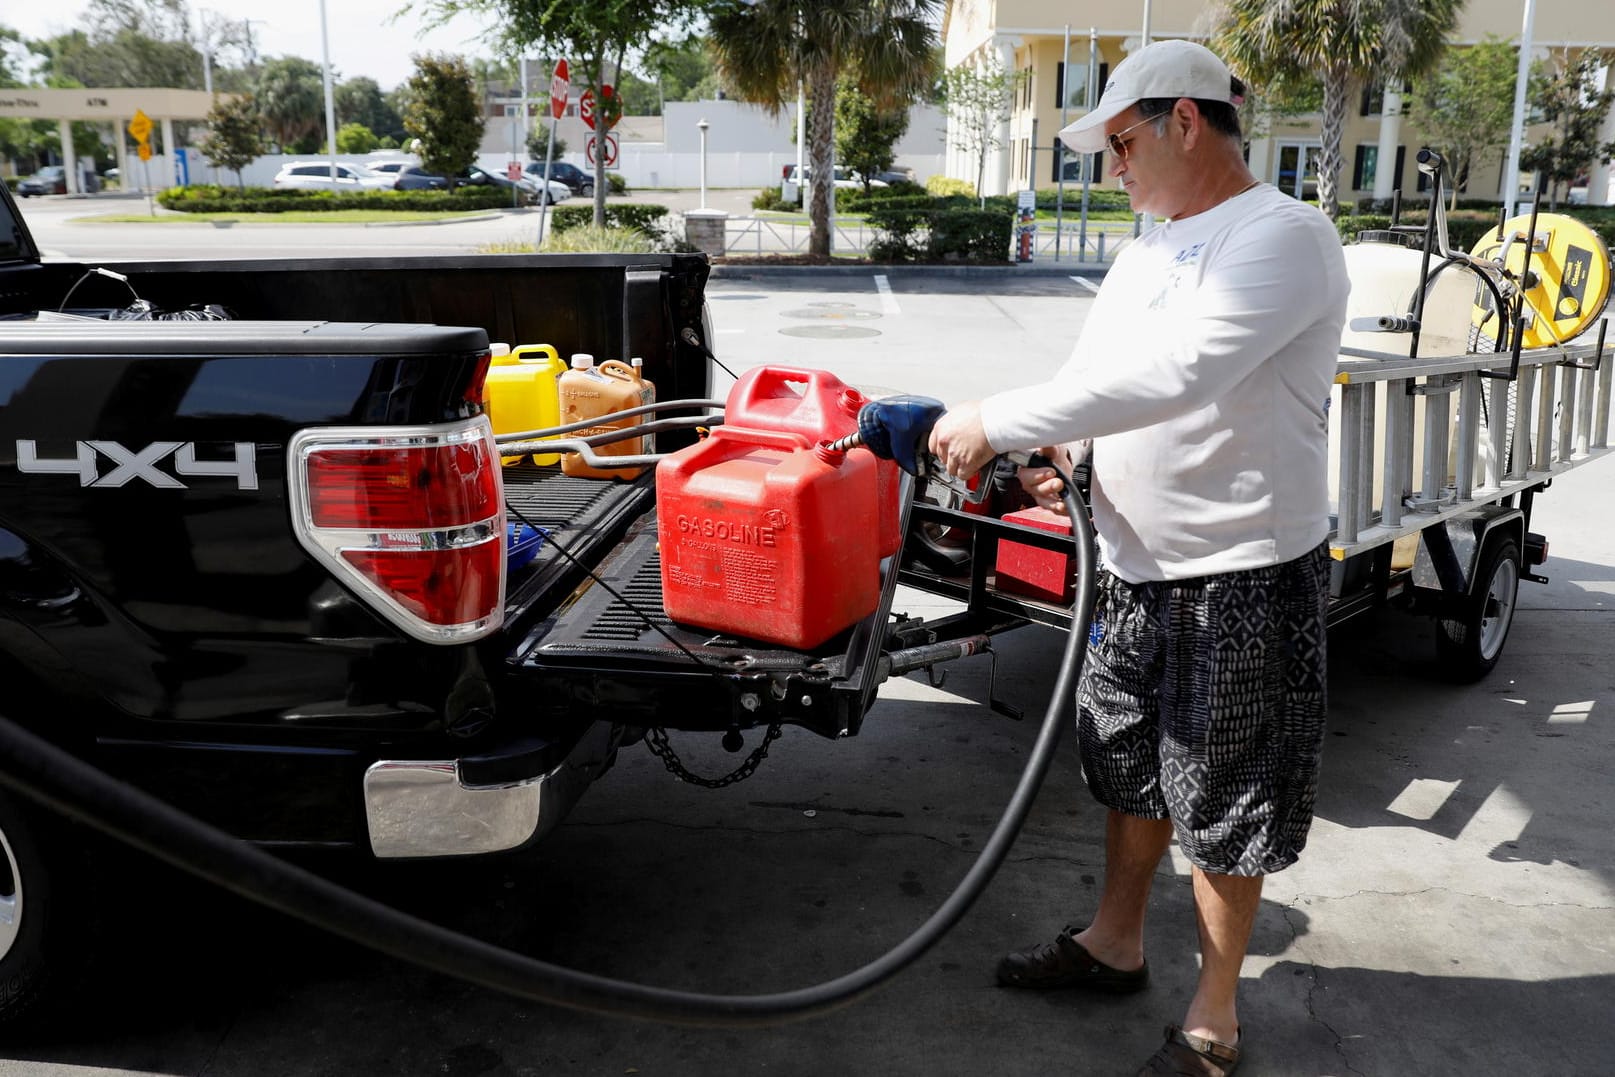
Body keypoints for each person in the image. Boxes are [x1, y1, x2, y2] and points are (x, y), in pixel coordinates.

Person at [928, 39, 1349, 1077]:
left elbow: (1184, 372)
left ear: (1187, 121)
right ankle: (1115, 946)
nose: (1111, 168)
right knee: (1125, 762)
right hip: (1135, 565)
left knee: (1223, 791)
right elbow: (1102, 377)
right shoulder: (1145, 250)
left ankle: (1215, 1017)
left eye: (1120, 143)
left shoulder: (1285, 236)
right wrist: (1053, 450)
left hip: (1241, 570)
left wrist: (996, 415)